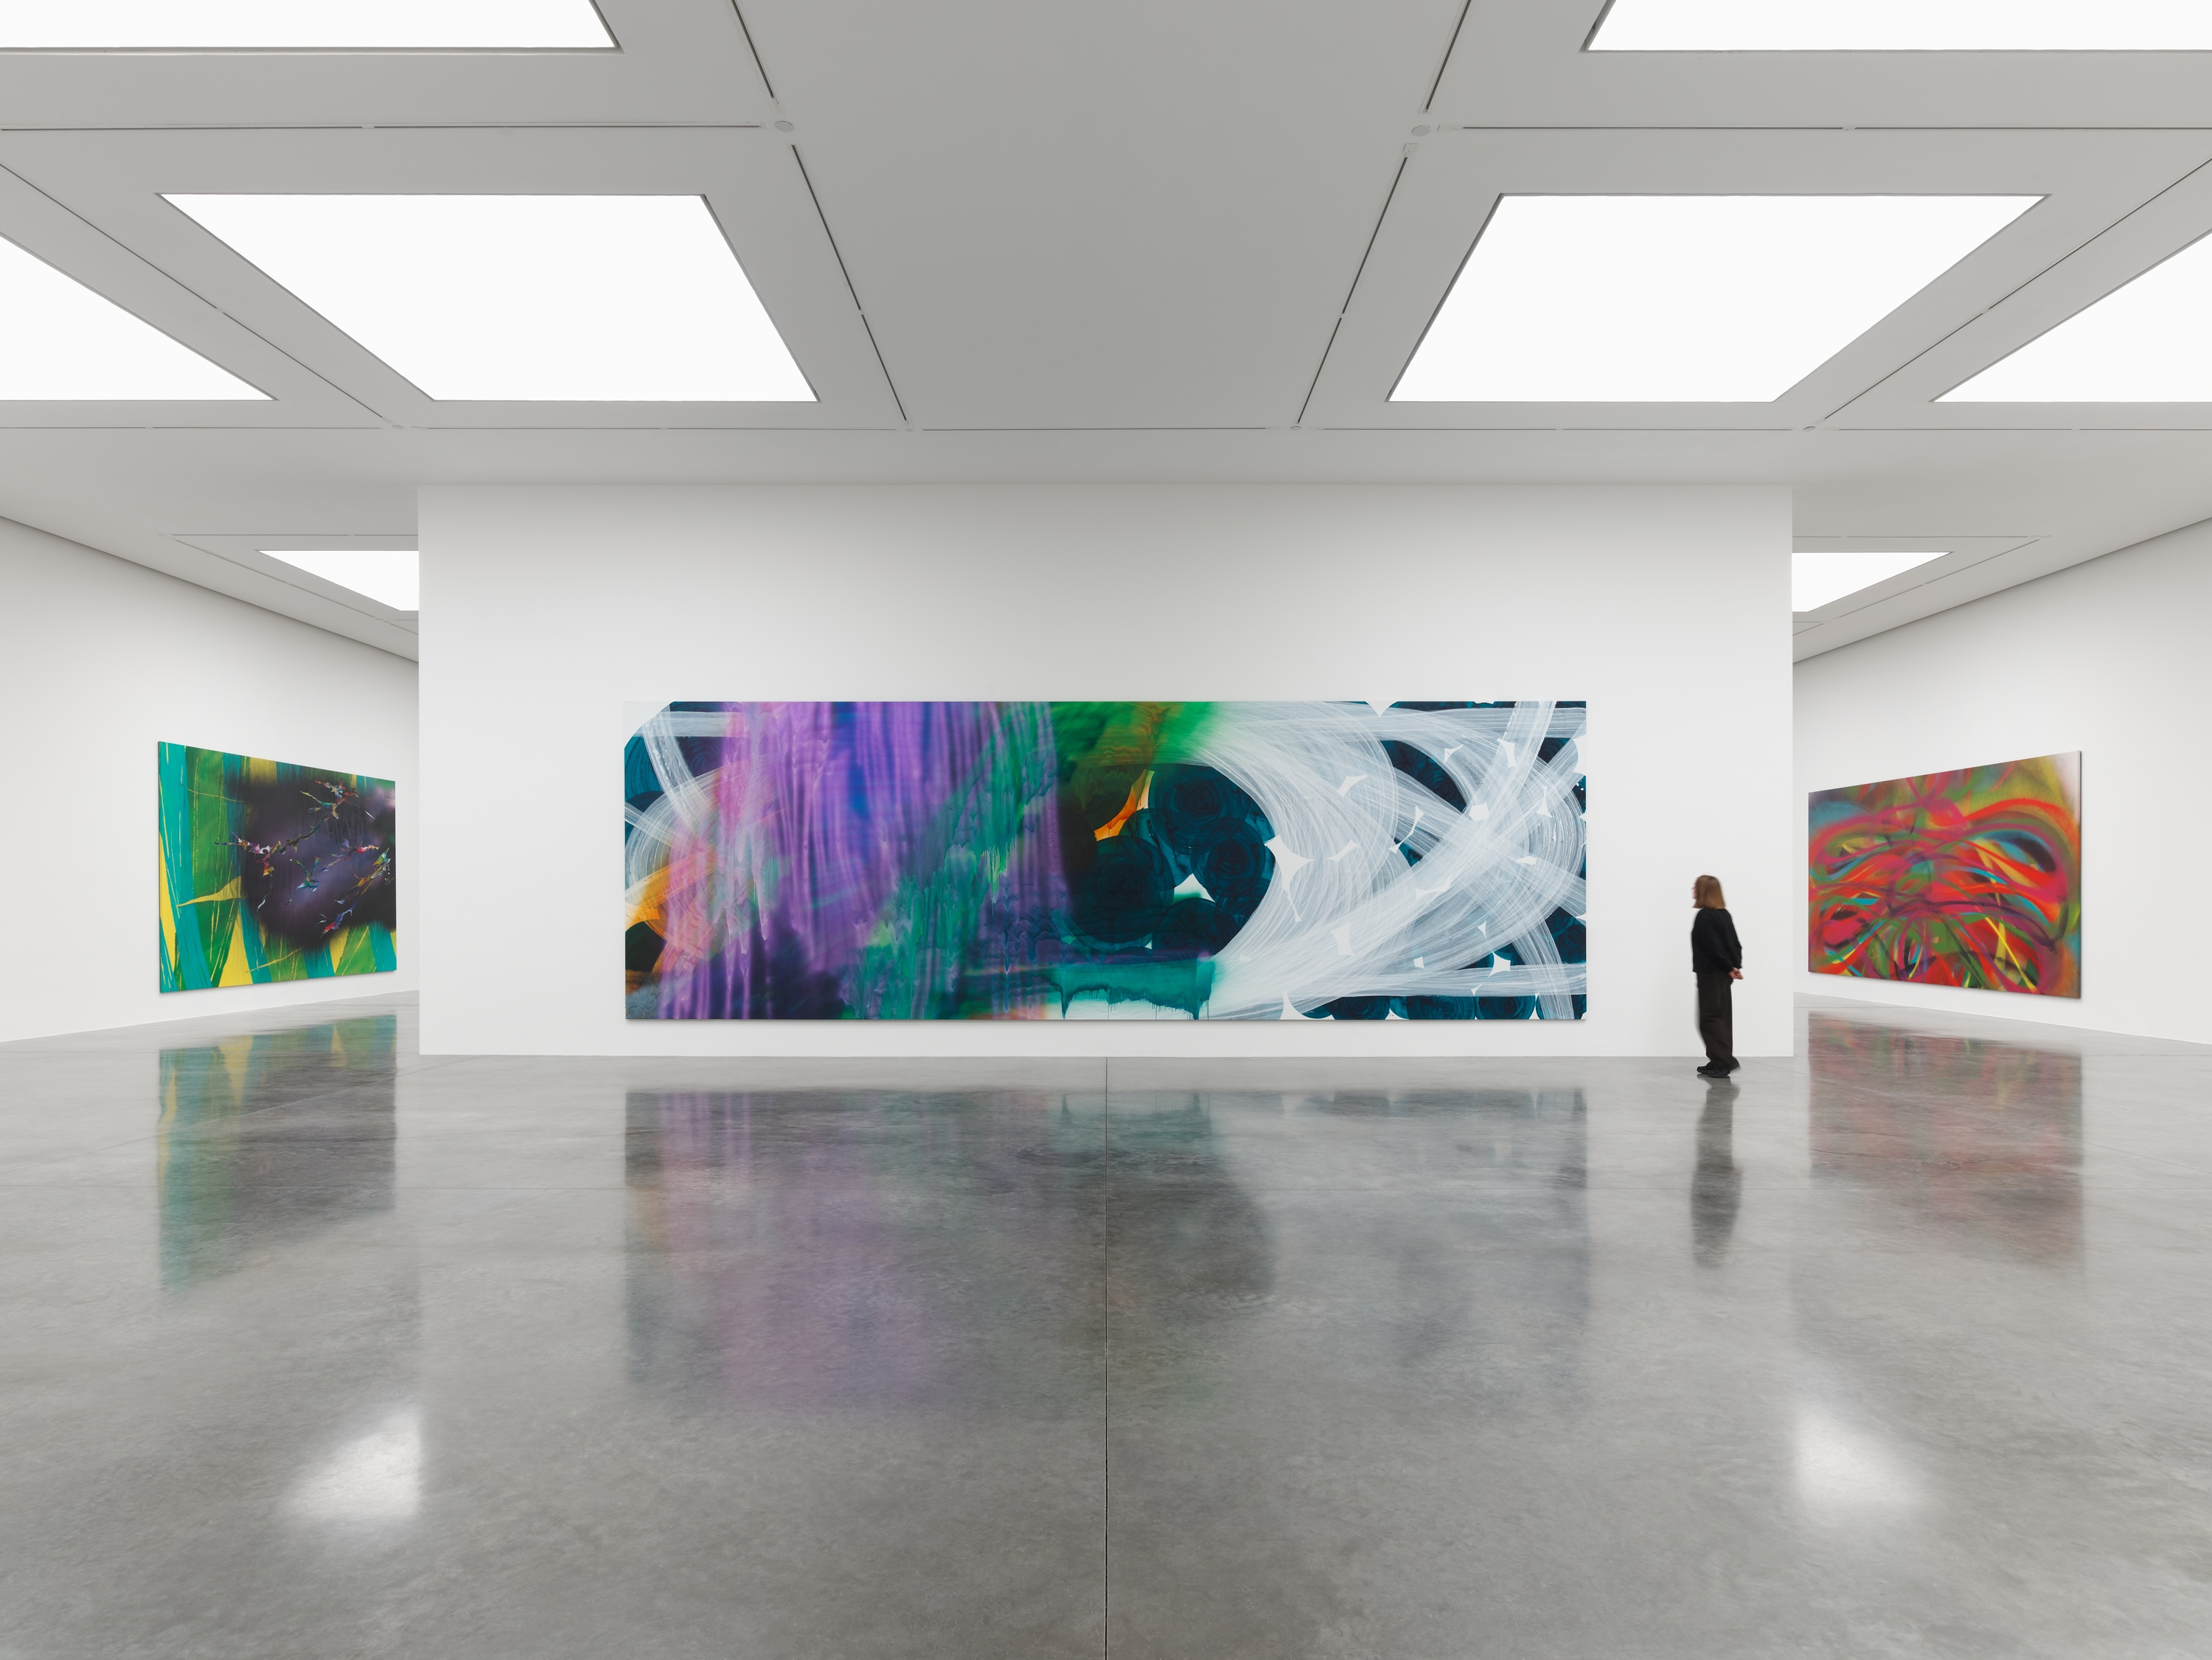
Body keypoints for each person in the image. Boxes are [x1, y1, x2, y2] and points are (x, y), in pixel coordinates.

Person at [1690, 874, 1742, 1078]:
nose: (1693, 890)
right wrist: (1734, 966)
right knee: (1721, 1018)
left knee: (1709, 1019)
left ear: (1704, 891)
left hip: (1711, 974)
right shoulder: (1723, 914)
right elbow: (1734, 943)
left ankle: (1724, 1062)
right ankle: (1717, 1060)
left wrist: (1729, 966)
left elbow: (1714, 947)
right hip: (1722, 974)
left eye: (1695, 887)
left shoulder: (1705, 916)